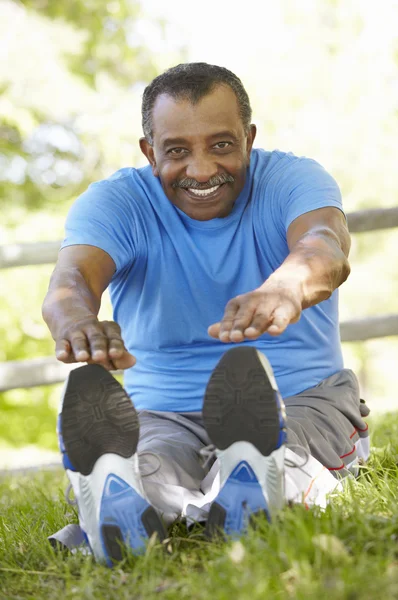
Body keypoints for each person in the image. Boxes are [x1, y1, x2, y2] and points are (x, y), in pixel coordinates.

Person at [42, 62, 370, 566]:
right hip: (164, 414)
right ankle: (125, 497)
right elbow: (71, 282)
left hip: (300, 398)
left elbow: (325, 245)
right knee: (149, 465)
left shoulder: (293, 179)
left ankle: (257, 477)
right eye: (177, 151)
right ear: (150, 152)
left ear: (248, 138)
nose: (201, 170)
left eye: (221, 145)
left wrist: (285, 287)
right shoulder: (118, 202)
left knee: (285, 451)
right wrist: (78, 322)